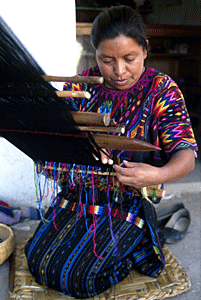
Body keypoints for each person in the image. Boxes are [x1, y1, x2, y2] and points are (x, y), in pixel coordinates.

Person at [25, 5, 198, 298]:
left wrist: (157, 174)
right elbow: (56, 144)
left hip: (127, 204)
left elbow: (186, 155)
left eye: (129, 58)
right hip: (79, 198)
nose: (119, 71)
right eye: (107, 60)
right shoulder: (81, 88)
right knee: (38, 262)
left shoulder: (162, 92)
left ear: (144, 49)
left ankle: (140, 242)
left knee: (79, 278)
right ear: (95, 54)